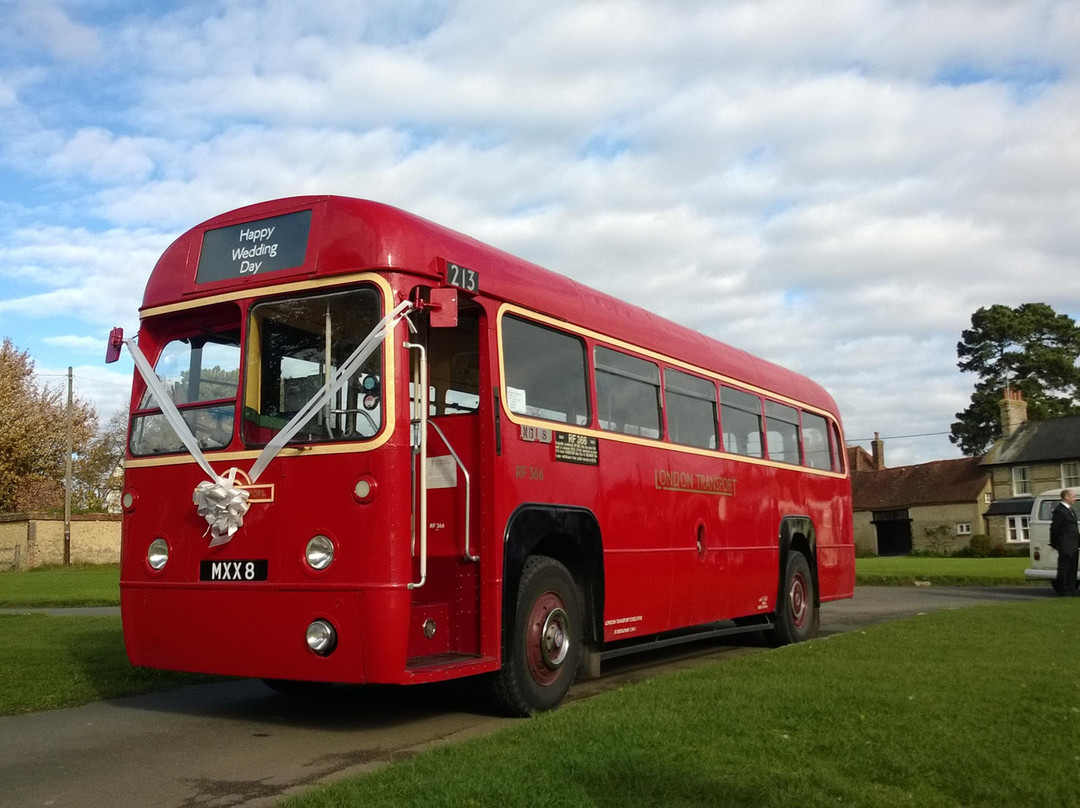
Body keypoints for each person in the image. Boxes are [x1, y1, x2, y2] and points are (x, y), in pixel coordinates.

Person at [1050, 489, 1080, 596]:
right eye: (1073, 496)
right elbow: (1055, 528)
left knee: (1073, 568)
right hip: (1065, 544)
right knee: (1064, 568)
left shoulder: (1070, 510)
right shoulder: (1060, 511)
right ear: (1066, 497)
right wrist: (1055, 544)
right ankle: (1063, 589)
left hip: (1073, 544)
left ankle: (1072, 589)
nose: (1075, 499)